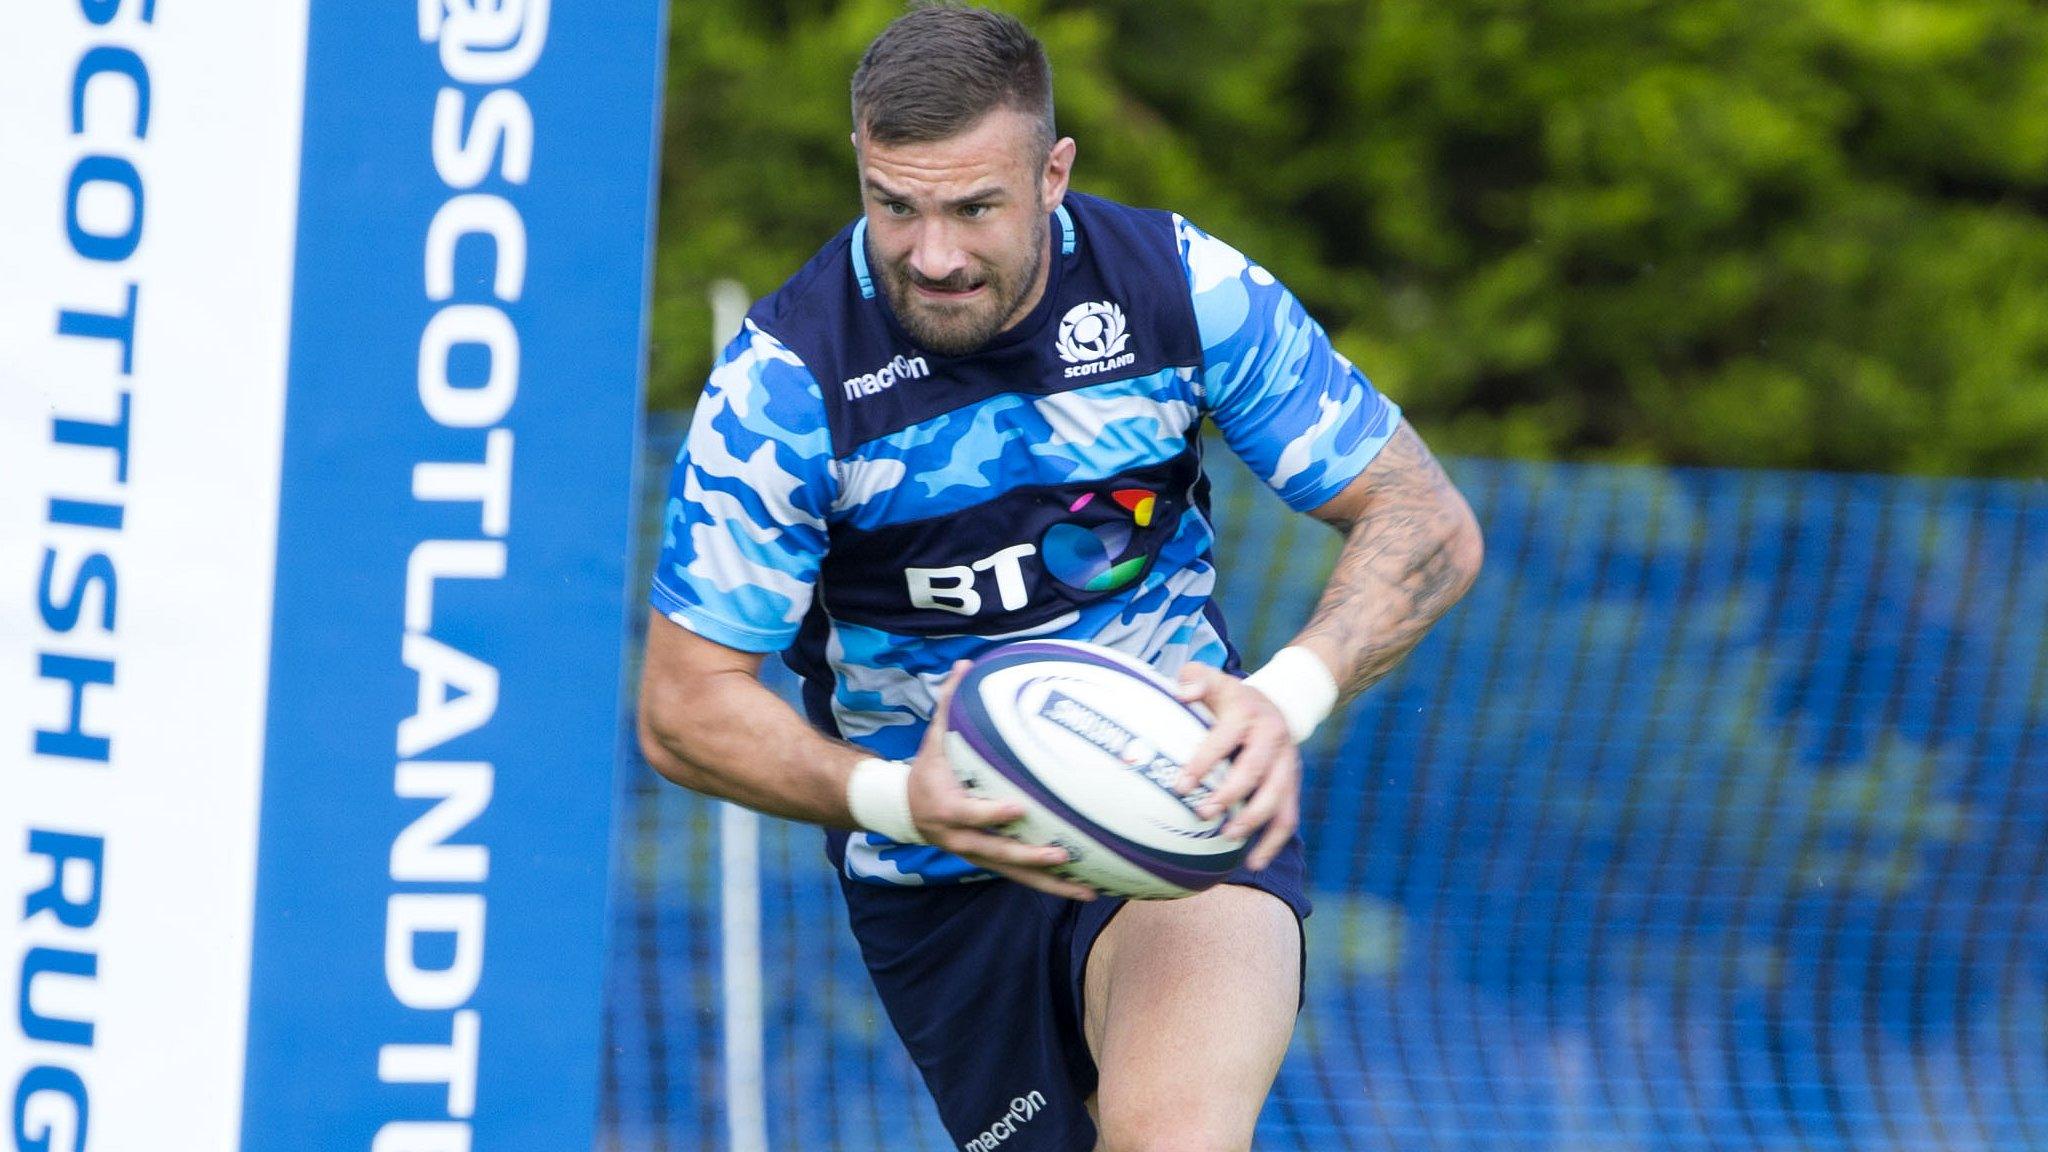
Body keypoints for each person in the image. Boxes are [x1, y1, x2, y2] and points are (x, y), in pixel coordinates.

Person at [638, 5, 1483, 1149]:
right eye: (895, 206)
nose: (931, 253)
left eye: (973, 207)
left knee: (1171, 1134)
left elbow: (1422, 519)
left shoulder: (1178, 291)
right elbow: (686, 706)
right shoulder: (786, 388)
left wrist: (1279, 704)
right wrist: (897, 798)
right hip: (938, 883)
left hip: (1178, 801)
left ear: (1051, 173)